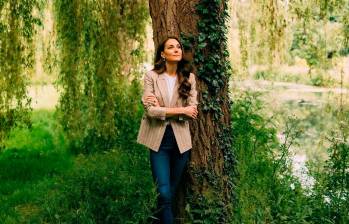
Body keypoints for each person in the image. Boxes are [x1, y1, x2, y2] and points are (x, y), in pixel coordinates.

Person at [137, 36, 198, 224]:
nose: (176, 49)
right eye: (171, 47)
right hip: (158, 141)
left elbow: (193, 111)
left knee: (168, 193)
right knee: (163, 193)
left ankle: (153, 220)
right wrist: (181, 110)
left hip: (181, 143)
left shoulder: (189, 77)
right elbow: (151, 111)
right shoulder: (151, 76)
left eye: (178, 47)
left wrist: (165, 110)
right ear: (163, 54)